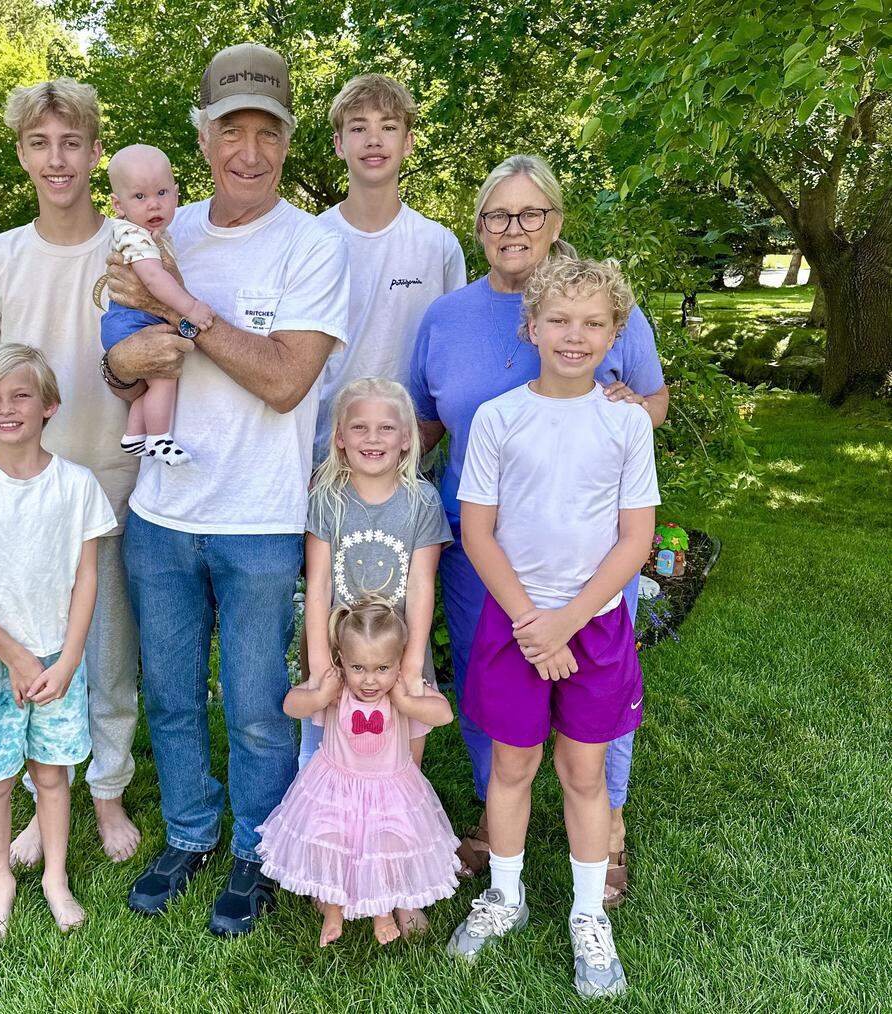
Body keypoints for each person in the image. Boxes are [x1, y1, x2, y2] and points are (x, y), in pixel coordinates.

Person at [102, 43, 350, 937]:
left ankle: (257, 847)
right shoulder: (164, 230)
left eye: (267, 133)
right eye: (231, 130)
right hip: (160, 515)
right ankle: (193, 832)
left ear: (287, 142)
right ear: (202, 137)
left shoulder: (312, 246)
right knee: (170, 696)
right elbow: (127, 359)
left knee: (253, 708)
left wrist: (189, 314)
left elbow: (287, 381)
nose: (249, 151)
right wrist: (120, 361)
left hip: (260, 522)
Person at [410, 154, 668, 895]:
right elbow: (425, 423)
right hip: (480, 547)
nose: (513, 228)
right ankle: (501, 820)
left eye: (530, 214)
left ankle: (607, 822)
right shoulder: (448, 317)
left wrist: (623, 418)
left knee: (597, 689)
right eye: (498, 215)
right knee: (497, 689)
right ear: (480, 227)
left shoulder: (603, 305)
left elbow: (652, 402)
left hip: (590, 550)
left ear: (556, 223)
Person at [0, 80, 162, 868]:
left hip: (114, 483)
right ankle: (46, 794)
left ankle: (105, 791)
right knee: (33, 649)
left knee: (106, 653)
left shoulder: (130, 248)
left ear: (96, 150)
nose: (57, 158)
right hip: (23, 495)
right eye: (40, 143)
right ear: (22, 155)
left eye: (72, 142)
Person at [445, 257, 658, 999]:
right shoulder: (499, 418)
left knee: (584, 772)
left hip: (592, 628)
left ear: (615, 334)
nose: (575, 335)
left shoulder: (627, 423)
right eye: (560, 320)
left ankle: (587, 913)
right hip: (514, 625)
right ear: (531, 326)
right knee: (511, 765)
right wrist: (533, 624)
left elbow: (635, 539)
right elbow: (477, 531)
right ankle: (505, 895)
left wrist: (567, 622)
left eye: (593, 323)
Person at [0, 345, 117, 937]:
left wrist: (70, 659)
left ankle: (56, 878)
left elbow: (88, 579)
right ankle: (1, 881)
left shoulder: (77, 486)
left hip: (59, 662)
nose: (6, 409)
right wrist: (13, 654)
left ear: (49, 405)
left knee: (52, 776)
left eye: (20, 395)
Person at [258, 599, 459, 947]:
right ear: (342, 662)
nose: (369, 680)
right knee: (333, 841)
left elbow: (444, 715)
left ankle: (382, 912)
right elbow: (291, 706)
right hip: (337, 788)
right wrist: (321, 692)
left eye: (382, 668)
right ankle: (334, 912)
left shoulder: (400, 693)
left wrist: (408, 701)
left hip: (390, 791)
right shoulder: (338, 693)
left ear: (399, 663)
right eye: (358, 668)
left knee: (385, 844)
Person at [299, 378, 451, 788]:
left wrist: (413, 664)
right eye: (359, 427)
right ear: (340, 437)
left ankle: (393, 840)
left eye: (386, 428)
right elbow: (318, 587)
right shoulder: (327, 499)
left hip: (398, 654)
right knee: (328, 765)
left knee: (402, 771)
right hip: (341, 654)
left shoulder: (421, 501)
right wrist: (319, 666)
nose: (373, 438)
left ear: (406, 438)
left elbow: (421, 586)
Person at [312, 74, 466, 464]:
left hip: (410, 461)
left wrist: (421, 441)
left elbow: (450, 360)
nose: (374, 140)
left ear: (408, 142)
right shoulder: (308, 240)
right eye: (358, 128)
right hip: (320, 459)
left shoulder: (438, 245)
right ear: (338, 144)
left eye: (389, 127)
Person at [99, 144, 214, 464]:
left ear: (176, 194)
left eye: (162, 192)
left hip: (132, 321)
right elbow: (152, 280)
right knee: (164, 377)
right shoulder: (135, 235)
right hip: (131, 321)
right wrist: (189, 308)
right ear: (118, 205)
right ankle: (159, 439)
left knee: (153, 381)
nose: (154, 204)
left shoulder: (152, 232)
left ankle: (134, 435)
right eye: (140, 197)